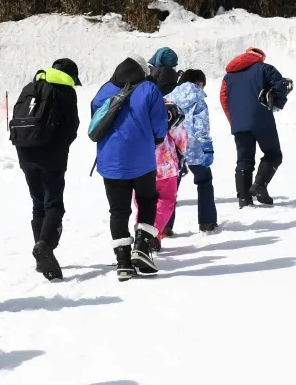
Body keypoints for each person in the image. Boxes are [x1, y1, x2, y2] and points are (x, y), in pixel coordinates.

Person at [90, 56, 169, 278]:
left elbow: (95, 121)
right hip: (142, 160)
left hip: (111, 162)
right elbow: (159, 125)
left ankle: (123, 262)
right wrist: (156, 139)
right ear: (143, 71)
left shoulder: (105, 89)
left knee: (118, 211)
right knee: (147, 200)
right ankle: (142, 248)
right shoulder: (149, 89)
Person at [9, 58, 80, 281]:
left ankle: (41, 255)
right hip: (52, 155)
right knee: (54, 204)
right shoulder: (65, 92)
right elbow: (72, 126)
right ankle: (45, 246)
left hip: (25, 152)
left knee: (38, 203)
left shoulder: (30, 87)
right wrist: (61, 146)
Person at [220, 46, 290, 207]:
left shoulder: (228, 77)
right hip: (262, 120)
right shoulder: (265, 69)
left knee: (244, 159)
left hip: (239, 124)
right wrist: (278, 103)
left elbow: (224, 99)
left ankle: (244, 199)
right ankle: (259, 185)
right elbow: (280, 86)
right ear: (260, 57)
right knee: (273, 154)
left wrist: (234, 120)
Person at [170, 68, 218, 233]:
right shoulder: (198, 97)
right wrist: (207, 146)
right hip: (194, 147)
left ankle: (165, 227)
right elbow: (201, 124)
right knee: (204, 181)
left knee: (170, 187)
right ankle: (207, 222)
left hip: (173, 148)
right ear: (199, 82)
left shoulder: (170, 96)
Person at [150, 66, 187, 237]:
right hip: (164, 164)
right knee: (166, 200)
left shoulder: (135, 104)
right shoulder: (167, 107)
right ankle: (151, 236)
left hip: (139, 163)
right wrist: (182, 152)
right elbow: (180, 136)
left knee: (143, 202)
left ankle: (143, 234)